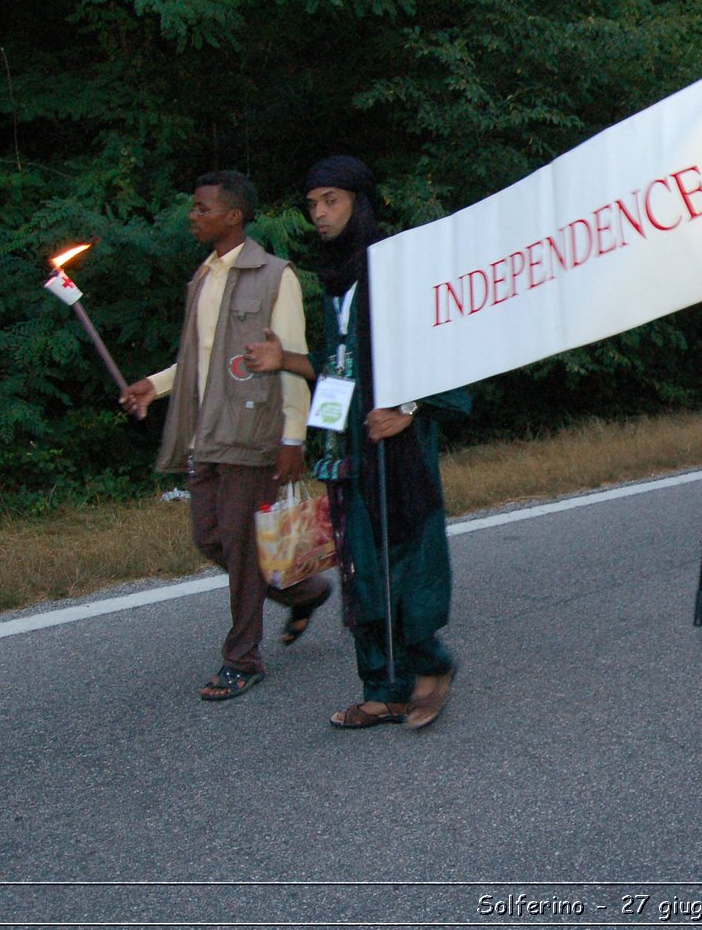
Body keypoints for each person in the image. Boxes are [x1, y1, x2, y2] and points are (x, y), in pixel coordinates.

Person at [250, 156, 469, 730]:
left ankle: (431, 666)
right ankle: (382, 688)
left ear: (360, 203)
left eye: (332, 201)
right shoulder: (335, 278)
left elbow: (449, 354)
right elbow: (340, 364)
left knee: (410, 564)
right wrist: (288, 361)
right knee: (360, 570)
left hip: (398, 449)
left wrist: (411, 409)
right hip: (347, 447)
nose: (319, 214)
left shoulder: (397, 270)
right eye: (313, 203)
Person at [120, 171, 331, 701]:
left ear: (233, 216)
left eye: (201, 208)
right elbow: (202, 359)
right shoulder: (204, 276)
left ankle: (243, 658)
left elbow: (290, 357)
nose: (192, 215)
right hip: (207, 430)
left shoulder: (275, 275)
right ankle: (302, 590)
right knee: (209, 537)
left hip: (253, 429)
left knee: (238, 546)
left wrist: (293, 438)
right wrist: (155, 386)